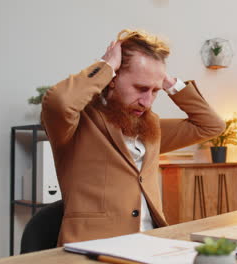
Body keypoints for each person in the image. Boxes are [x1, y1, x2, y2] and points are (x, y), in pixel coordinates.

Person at [41, 29, 225, 245]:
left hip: (152, 244)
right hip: (93, 248)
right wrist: (106, 66)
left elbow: (211, 125)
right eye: (140, 88)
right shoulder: (76, 124)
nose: (147, 101)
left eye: (155, 91)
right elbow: (59, 103)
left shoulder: (151, 128)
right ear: (112, 79)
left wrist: (169, 83)